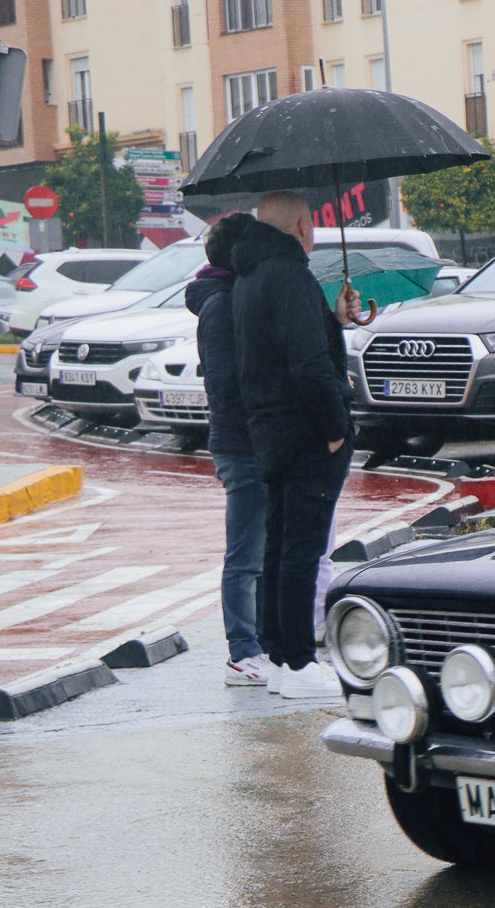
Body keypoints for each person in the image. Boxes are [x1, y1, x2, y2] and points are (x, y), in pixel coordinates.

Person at [230, 191, 362, 701]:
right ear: (305, 226)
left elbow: (284, 347)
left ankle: (281, 656)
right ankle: (301, 663)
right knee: (302, 548)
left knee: (281, 545)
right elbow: (308, 365)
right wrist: (335, 429)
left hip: (269, 428)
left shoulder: (249, 275)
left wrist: (333, 319)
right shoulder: (290, 276)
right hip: (307, 432)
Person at [185, 212, 271, 687]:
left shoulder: (230, 297)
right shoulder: (221, 305)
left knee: (259, 548)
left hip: (252, 441)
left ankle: (258, 642)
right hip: (242, 444)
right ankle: (242, 651)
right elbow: (226, 382)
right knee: (244, 554)